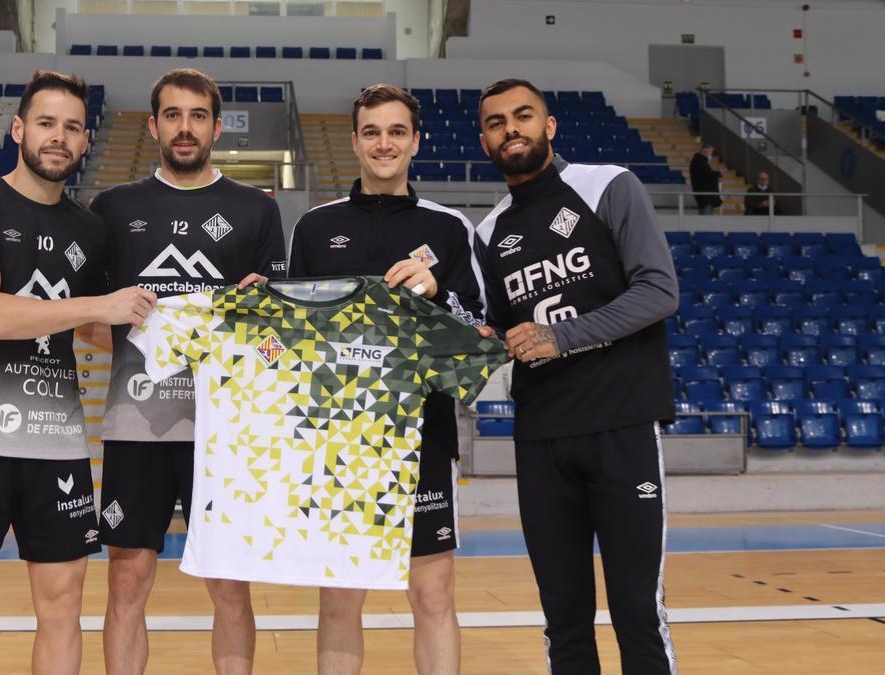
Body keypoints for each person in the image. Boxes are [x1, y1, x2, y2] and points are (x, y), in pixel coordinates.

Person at [0, 70, 157, 675]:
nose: (59, 137)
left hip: (57, 446)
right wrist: (97, 307)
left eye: (73, 127)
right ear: (19, 128)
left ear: (85, 141)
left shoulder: (91, 229)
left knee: (63, 609)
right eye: (47, 123)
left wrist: (214, 323)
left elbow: (99, 332)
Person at [470, 78, 679, 674]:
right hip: (541, 439)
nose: (511, 128)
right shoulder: (488, 235)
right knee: (563, 619)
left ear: (550, 125)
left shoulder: (607, 185)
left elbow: (660, 291)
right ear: (484, 141)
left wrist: (561, 336)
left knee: (637, 610)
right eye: (496, 122)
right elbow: (496, 335)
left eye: (523, 115)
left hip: (622, 426)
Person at [85, 67, 287, 675]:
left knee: (229, 584)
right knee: (126, 578)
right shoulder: (113, 208)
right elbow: (87, 321)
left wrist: (263, 317)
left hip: (227, 431)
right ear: (152, 126)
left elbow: (279, 341)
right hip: (136, 422)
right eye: (172, 115)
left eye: (197, 116)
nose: (185, 127)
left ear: (217, 127)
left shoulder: (256, 209)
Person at [287, 83, 485, 675]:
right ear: (353, 141)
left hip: (424, 437)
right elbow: (290, 336)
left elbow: (480, 333)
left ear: (416, 141)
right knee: (340, 599)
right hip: (337, 441)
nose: (383, 143)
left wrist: (438, 292)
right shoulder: (316, 228)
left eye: (396, 131)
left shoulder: (449, 229)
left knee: (431, 595)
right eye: (371, 132)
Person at [688, 144, 722, 215]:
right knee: (705, 216)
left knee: (704, 214)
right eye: (711, 152)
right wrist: (719, 173)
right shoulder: (700, 161)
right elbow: (707, 174)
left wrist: (716, 178)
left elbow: (705, 175)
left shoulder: (699, 160)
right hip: (705, 195)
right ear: (705, 151)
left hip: (704, 194)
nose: (711, 155)